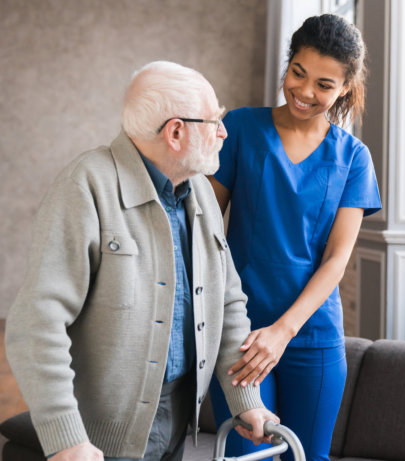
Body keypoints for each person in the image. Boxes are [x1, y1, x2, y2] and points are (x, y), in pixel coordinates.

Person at [5, 61, 278, 461]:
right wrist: (66, 440)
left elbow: (227, 301)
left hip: (178, 415)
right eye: (214, 120)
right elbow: (36, 324)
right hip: (96, 441)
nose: (223, 132)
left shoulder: (200, 191)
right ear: (176, 132)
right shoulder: (86, 185)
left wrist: (246, 399)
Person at [207, 13, 381, 461]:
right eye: (298, 73)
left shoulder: (354, 157)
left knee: (308, 457)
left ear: (344, 88)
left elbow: (336, 261)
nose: (305, 92)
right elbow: (205, 231)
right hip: (240, 333)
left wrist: (283, 332)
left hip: (313, 334)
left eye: (324, 85)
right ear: (287, 65)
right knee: (246, 456)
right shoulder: (240, 130)